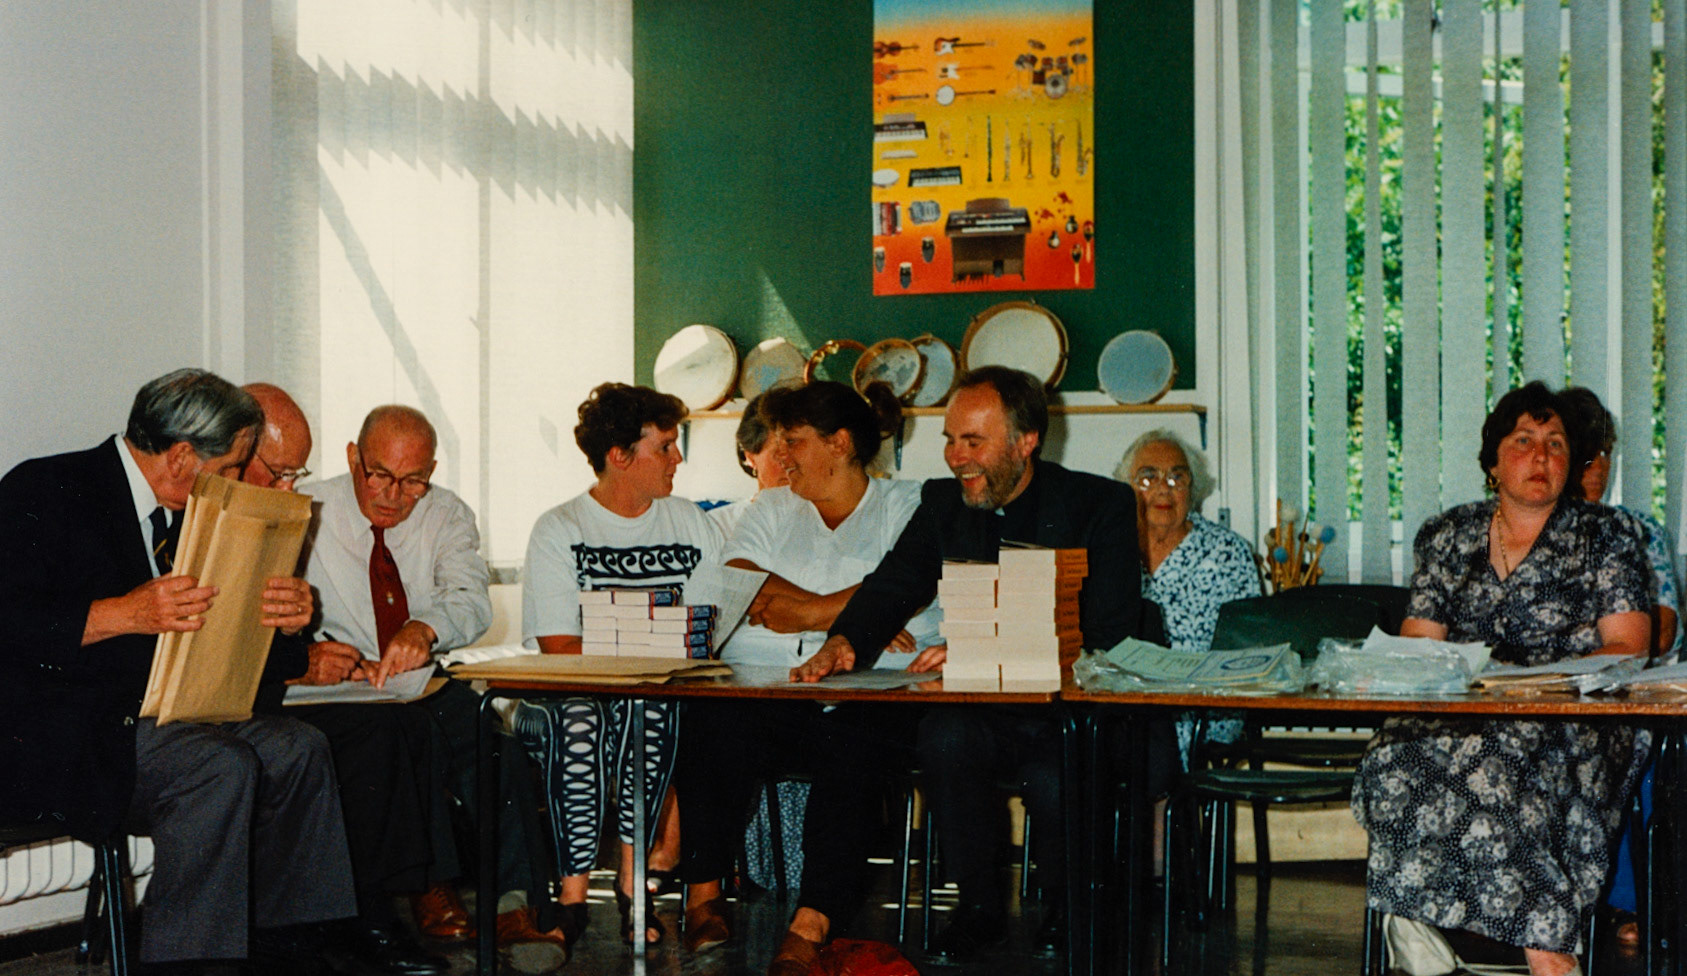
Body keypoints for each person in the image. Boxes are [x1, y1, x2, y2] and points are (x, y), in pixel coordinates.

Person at [790, 366, 1148, 968]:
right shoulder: (941, 503)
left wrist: (989, 644)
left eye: (973, 442)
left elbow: (1108, 634)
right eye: (950, 440)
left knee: (1055, 772)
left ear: (1026, 441)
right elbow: (894, 584)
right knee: (943, 735)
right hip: (978, 711)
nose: (957, 457)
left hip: (1065, 708)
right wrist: (844, 640)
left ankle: (1070, 905)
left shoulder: (1100, 504)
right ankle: (978, 908)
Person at [0, 368, 356, 972]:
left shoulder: (191, 512)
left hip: (161, 725)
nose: (237, 484)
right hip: (64, 736)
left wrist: (290, 625)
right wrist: (123, 613)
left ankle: (289, 955)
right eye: (232, 469)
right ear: (184, 457)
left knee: (299, 750)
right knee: (217, 765)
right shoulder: (48, 489)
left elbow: (227, 648)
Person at [1351, 381, 1652, 976]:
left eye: (1556, 443)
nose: (1541, 456)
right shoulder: (1447, 536)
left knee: (1495, 761)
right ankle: (1418, 920)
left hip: (1573, 720)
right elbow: (1421, 645)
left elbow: (1628, 646)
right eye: (1524, 441)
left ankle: (1542, 949)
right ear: (1493, 461)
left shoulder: (1605, 535)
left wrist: (1548, 683)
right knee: (1391, 757)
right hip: (1464, 710)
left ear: (1572, 463)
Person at [673, 381, 937, 968]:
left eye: (793, 441)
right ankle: (703, 898)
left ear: (840, 443)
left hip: (878, 691)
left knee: (855, 741)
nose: (781, 456)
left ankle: (812, 923)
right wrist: (872, 611)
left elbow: (915, 585)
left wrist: (807, 611)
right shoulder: (771, 508)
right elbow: (741, 583)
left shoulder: (909, 505)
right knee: (712, 718)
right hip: (774, 686)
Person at [298, 404, 570, 969]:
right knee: (398, 735)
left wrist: (424, 629)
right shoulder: (306, 510)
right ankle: (429, 884)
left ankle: (516, 907)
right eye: (380, 475)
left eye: (413, 480)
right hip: (333, 689)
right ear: (352, 458)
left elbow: (469, 599)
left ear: (432, 472)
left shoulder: (446, 514)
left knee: (497, 750)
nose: (395, 495)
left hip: (418, 679)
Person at [241, 383, 455, 975]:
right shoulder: (208, 517)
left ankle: (370, 913)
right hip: (236, 707)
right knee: (372, 735)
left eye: (296, 474)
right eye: (279, 473)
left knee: (397, 726)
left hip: (273, 692)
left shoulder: (270, 511)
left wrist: (302, 647)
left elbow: (266, 632)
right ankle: (366, 919)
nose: (291, 489)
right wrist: (301, 664)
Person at [511, 382, 725, 947]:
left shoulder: (690, 523)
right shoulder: (561, 528)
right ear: (619, 456)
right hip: (568, 696)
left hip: (656, 695)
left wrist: (640, 654)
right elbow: (561, 648)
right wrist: (650, 646)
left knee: (647, 711)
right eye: (665, 447)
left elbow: (703, 636)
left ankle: (634, 887)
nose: (678, 459)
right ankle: (572, 898)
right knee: (583, 717)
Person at [1559, 386, 1681, 949]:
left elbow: (1660, 633)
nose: (1598, 466)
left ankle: (1633, 902)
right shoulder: (1526, 532)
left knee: (1636, 747)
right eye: (1586, 454)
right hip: (1551, 696)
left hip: (1633, 694)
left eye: (1605, 452)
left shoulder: (1639, 531)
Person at [1115, 428, 1261, 764]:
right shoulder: (1110, 547)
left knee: (1143, 742)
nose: (1163, 488)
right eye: (1148, 477)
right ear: (1127, 487)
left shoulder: (1227, 551)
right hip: (1124, 703)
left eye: (1176, 477)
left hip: (1201, 707)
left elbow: (1248, 656)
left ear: (1192, 489)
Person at [707, 390, 789, 538]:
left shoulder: (827, 525)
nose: (794, 465)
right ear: (751, 457)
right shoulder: (718, 527)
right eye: (781, 455)